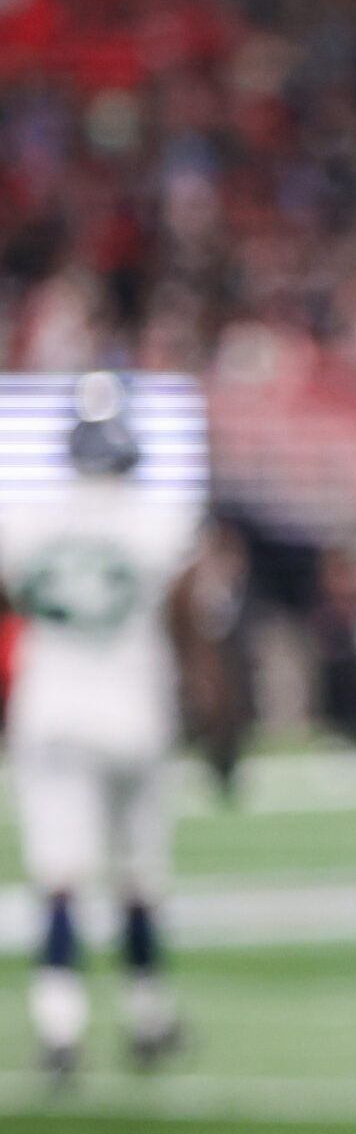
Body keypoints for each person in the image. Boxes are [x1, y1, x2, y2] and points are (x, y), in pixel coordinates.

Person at [0, 377, 201, 1081]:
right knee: (140, 875)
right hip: (134, 711)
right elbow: (188, 615)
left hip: (49, 712)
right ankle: (147, 1013)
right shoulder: (161, 519)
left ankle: (60, 1024)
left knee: (58, 878)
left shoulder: (23, 518)